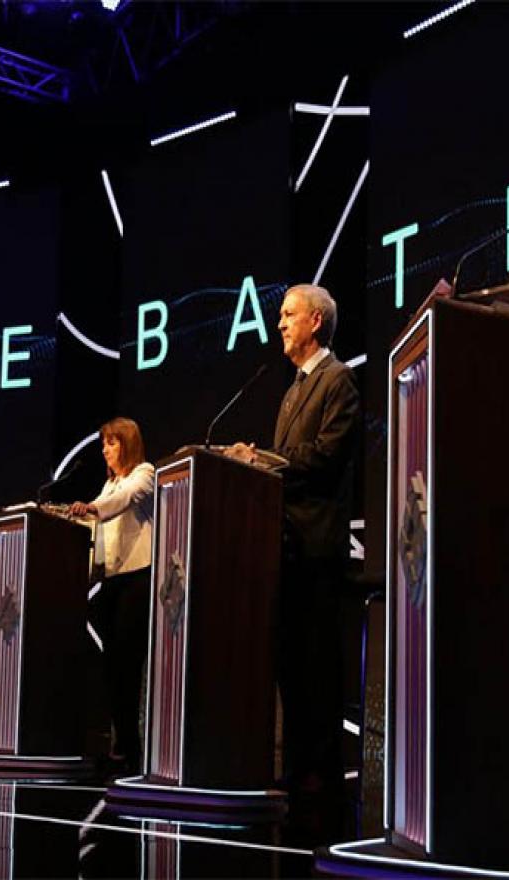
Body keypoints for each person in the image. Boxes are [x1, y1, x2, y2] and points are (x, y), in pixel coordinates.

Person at [229, 284, 360, 803]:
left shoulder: (339, 380)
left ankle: (323, 772)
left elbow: (326, 457)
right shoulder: (290, 391)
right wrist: (255, 459)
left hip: (317, 545)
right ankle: (298, 763)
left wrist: (267, 460)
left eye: (288, 315)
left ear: (316, 323)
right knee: (289, 661)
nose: (279, 323)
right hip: (284, 547)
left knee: (317, 664)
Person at [70, 417, 155, 775]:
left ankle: (130, 749)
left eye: (112, 442)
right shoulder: (109, 484)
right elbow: (96, 512)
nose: (104, 449)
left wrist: (92, 509)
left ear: (128, 444)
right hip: (112, 582)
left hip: (138, 578)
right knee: (113, 668)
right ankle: (122, 744)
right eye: (103, 443)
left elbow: (124, 500)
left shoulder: (143, 473)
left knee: (126, 665)